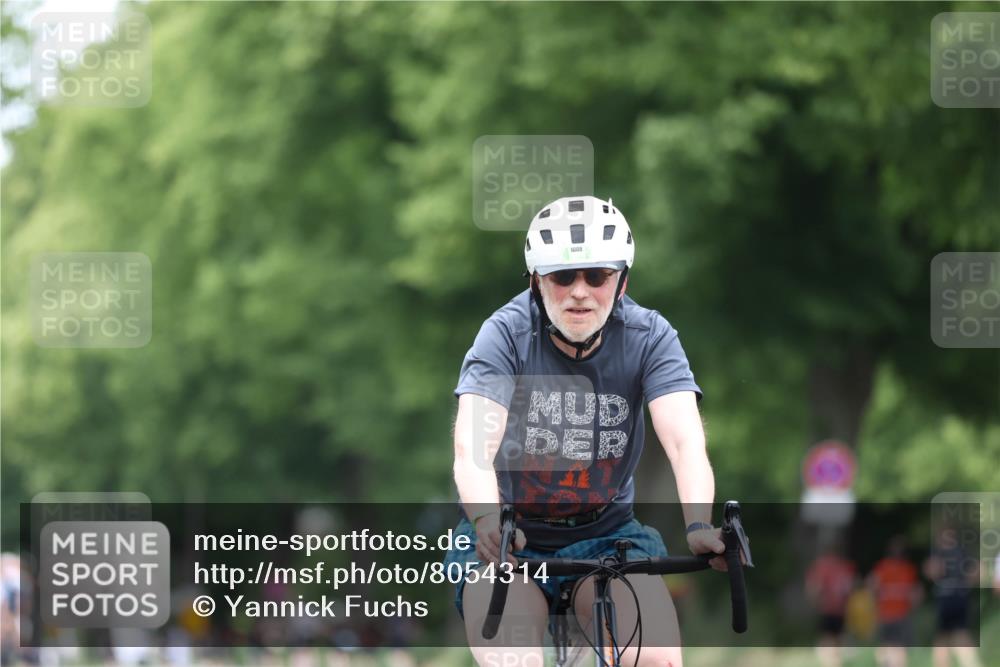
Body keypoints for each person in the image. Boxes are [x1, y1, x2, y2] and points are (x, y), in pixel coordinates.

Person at [445, 196, 723, 667]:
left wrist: (698, 523)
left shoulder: (650, 336)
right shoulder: (504, 335)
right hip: (510, 539)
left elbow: (684, 442)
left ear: (622, 281)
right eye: (562, 276)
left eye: (597, 276)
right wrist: (487, 521)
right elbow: (473, 449)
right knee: (515, 660)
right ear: (537, 281)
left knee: (655, 660)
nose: (580, 291)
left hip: (609, 538)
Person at [923, 526, 981, 667]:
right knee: (955, 635)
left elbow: (930, 572)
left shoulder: (939, 553)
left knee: (948, 637)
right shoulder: (963, 552)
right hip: (960, 597)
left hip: (947, 599)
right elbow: (978, 570)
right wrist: (966, 583)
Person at [867, 536, 922, 667]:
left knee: (889, 647)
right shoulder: (895, 568)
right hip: (893, 615)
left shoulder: (888, 568)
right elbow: (916, 594)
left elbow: (871, 586)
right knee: (895, 648)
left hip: (894, 614)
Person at [805, 543, 857, 667]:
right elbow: (849, 589)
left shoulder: (821, 566)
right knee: (838, 641)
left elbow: (814, 587)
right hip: (840, 609)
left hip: (827, 608)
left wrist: (815, 602)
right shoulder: (844, 566)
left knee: (827, 641)